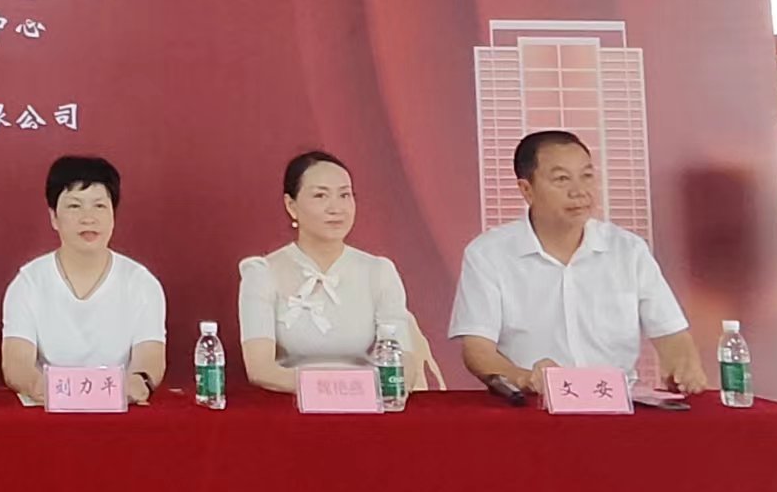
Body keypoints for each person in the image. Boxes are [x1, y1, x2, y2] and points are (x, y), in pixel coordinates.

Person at [449, 130, 709, 394]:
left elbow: (671, 334)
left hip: (616, 403)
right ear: (527, 190)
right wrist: (524, 378)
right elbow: (477, 350)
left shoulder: (628, 250)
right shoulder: (488, 253)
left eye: (586, 176)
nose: (579, 192)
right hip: (532, 404)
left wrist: (683, 367)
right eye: (562, 179)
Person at [237, 151, 446, 394]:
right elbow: (260, 370)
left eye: (345, 195)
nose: (336, 208)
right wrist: (331, 391)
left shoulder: (378, 271)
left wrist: (359, 392)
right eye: (320, 195)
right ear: (291, 206)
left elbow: (404, 365)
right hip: (292, 405)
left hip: (366, 404)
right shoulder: (262, 273)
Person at [0, 155, 166, 405]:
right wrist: (40, 387)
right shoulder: (29, 283)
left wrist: (138, 383)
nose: (88, 218)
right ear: (53, 217)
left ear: (113, 215)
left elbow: (150, 358)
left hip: (120, 413)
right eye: (74, 206)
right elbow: (16, 363)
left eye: (99, 206)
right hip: (48, 412)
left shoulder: (141, 284)